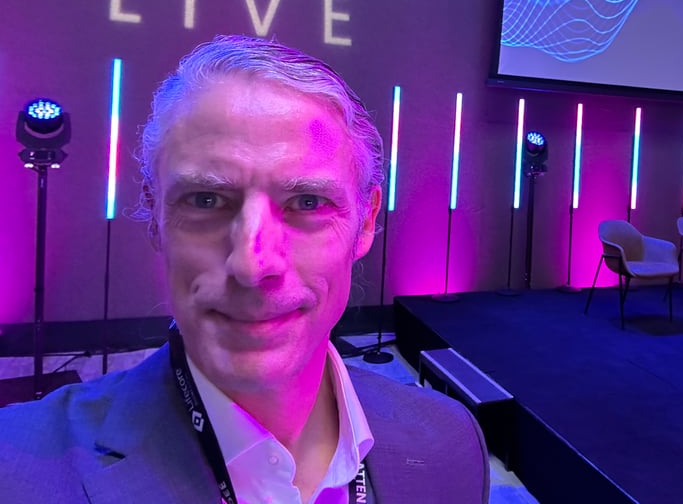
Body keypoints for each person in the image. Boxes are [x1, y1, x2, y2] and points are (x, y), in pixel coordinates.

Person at [0, 35, 490, 503]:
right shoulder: (16, 473)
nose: (253, 265)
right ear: (155, 215)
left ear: (365, 223)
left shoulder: (451, 445)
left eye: (308, 202)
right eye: (207, 200)